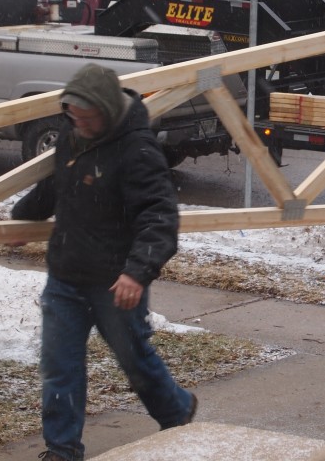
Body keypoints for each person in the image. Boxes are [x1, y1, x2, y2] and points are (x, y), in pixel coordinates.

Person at [12, 63, 196, 461]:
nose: (76, 122)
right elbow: (56, 185)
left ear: (107, 110)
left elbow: (159, 216)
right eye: (71, 115)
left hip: (115, 283)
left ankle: (177, 411)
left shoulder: (137, 150)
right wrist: (24, 217)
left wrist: (137, 272)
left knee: (135, 361)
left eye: (84, 116)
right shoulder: (73, 134)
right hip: (65, 276)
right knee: (60, 366)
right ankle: (62, 450)